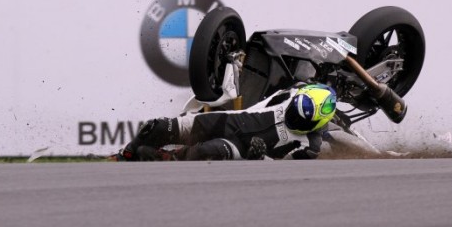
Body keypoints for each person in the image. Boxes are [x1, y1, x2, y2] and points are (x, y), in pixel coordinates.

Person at [113, 83, 338, 161]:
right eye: (295, 110)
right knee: (158, 126)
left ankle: (167, 159)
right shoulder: (291, 92)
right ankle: (125, 155)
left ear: (317, 123)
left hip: (241, 148)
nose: (294, 117)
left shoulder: (309, 146)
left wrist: (260, 156)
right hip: (224, 121)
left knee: (205, 152)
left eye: (301, 119)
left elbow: (283, 167)